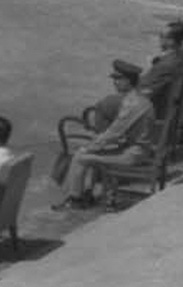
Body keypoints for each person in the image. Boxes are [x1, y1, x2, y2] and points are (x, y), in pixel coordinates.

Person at [56, 60, 156, 209]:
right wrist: (95, 145)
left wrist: (89, 147)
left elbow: (113, 133)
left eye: (118, 79)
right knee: (91, 152)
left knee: (80, 157)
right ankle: (86, 194)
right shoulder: (138, 98)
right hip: (135, 148)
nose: (114, 82)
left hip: (134, 154)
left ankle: (75, 200)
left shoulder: (132, 104)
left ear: (128, 81)